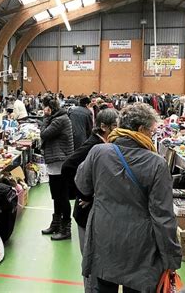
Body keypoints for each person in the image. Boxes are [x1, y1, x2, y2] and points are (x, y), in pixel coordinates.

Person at [75, 103, 182, 292]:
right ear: (141, 129)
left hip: (103, 239)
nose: (152, 136)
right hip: (140, 248)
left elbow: (82, 184)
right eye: (151, 131)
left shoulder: (99, 152)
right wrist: (171, 258)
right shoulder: (156, 163)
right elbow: (163, 216)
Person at [61, 109, 118, 293]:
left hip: (95, 211)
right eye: (115, 126)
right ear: (104, 127)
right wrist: (82, 194)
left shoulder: (105, 146)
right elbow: (68, 166)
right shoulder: (93, 146)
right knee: (90, 263)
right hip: (85, 213)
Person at [40, 96, 74, 241]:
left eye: (44, 107)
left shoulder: (59, 120)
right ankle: (56, 223)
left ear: (50, 108)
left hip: (60, 161)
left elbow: (44, 133)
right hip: (56, 161)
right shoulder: (58, 118)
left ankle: (66, 229)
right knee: (56, 196)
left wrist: (45, 118)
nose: (43, 110)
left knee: (62, 196)